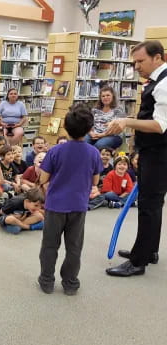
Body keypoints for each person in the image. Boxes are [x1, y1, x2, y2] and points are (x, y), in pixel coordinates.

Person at [104, 41, 167, 277]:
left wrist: (127, 122)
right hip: (153, 151)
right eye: (134, 62)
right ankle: (149, 250)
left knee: (149, 206)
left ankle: (138, 261)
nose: (136, 66)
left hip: (159, 153)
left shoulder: (164, 84)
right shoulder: (156, 82)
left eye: (140, 61)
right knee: (153, 204)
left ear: (158, 58)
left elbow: (160, 125)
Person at [38, 104, 103, 295]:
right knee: (74, 247)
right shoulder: (94, 152)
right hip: (78, 206)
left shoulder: (55, 151)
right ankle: (70, 283)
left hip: (55, 205)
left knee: (50, 245)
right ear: (90, 129)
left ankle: (47, 280)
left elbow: (43, 178)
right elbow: (95, 180)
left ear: (65, 127)